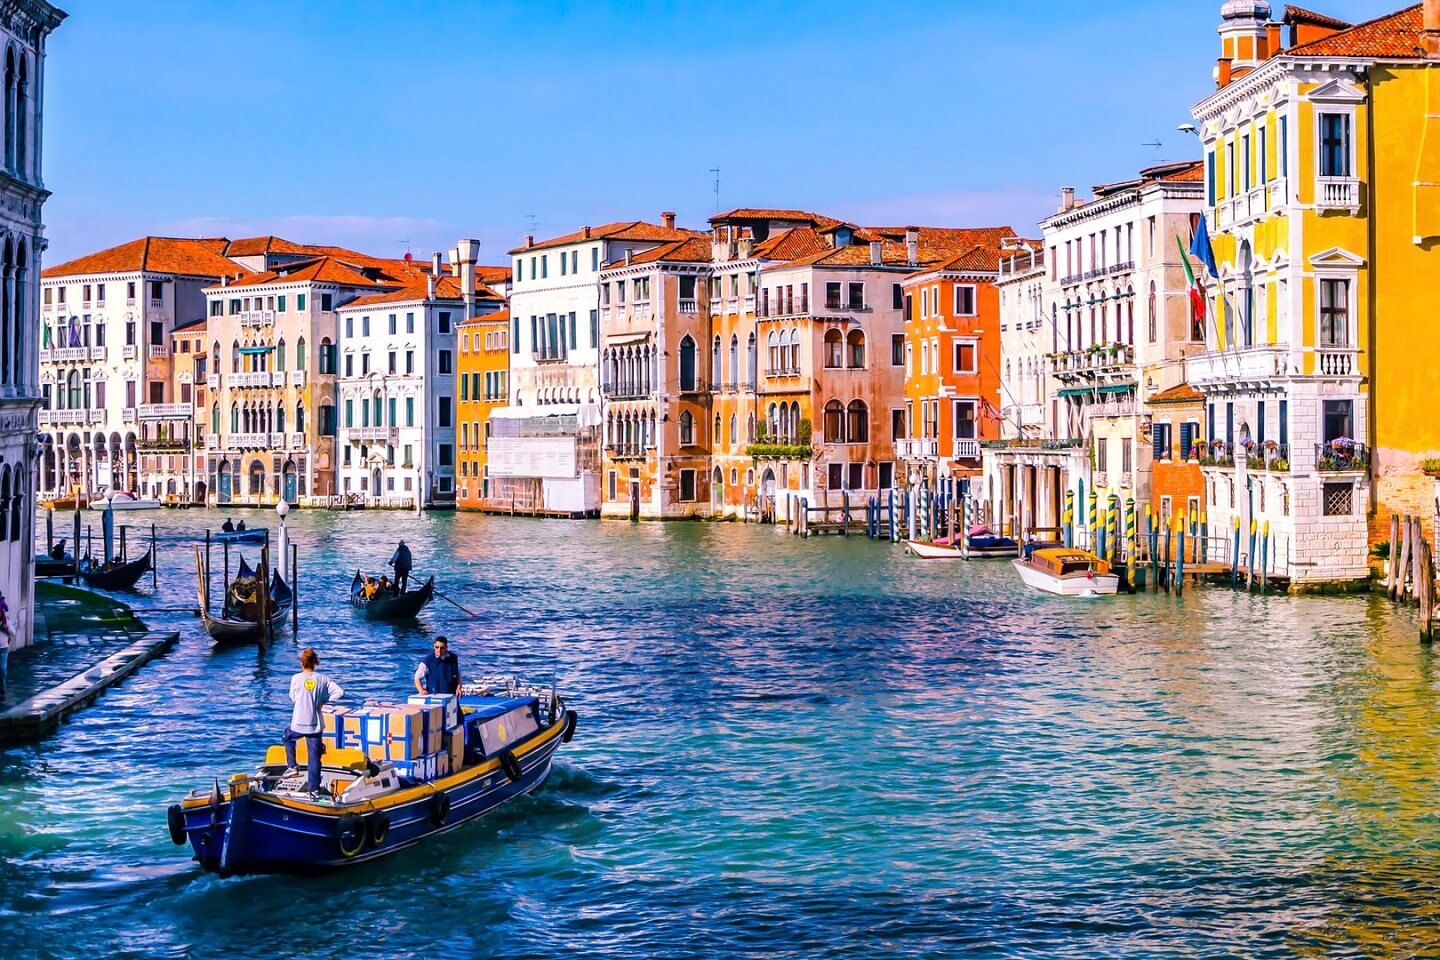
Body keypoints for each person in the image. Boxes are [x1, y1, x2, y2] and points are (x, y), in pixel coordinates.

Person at [285, 647, 344, 795]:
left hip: (298, 723)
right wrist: (323, 700)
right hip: (315, 725)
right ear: (315, 662)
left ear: (302, 663)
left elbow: (293, 698)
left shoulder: (295, 678)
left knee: (287, 736)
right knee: (314, 758)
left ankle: (292, 766)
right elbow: (340, 693)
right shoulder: (323, 679)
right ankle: (314, 789)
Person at [0, 591, 13, 700]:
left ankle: (3, 689)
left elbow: (13, 632)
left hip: (3, 647)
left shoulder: (5, 620)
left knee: (2, 669)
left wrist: (6, 628)